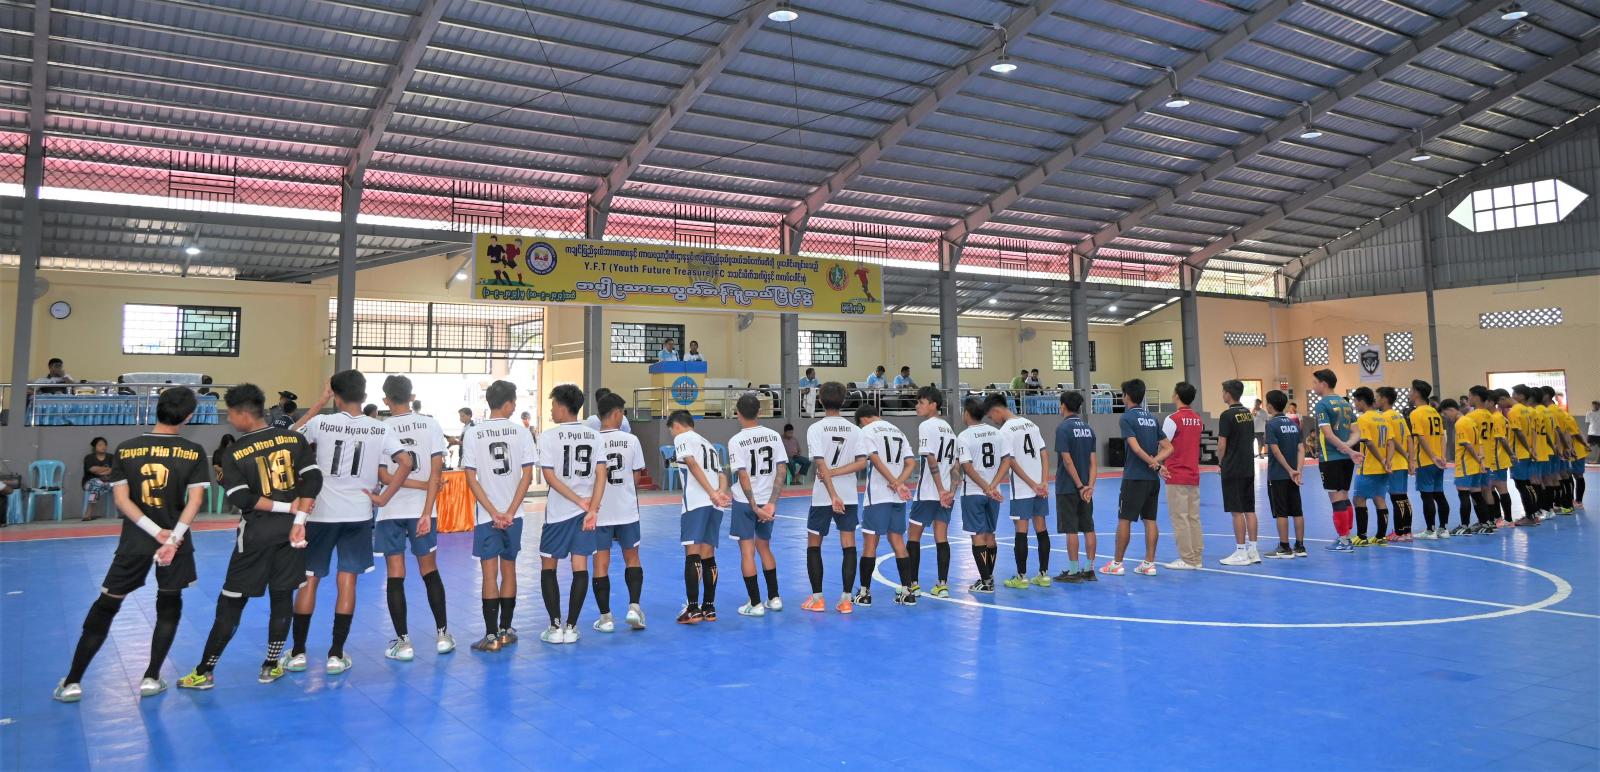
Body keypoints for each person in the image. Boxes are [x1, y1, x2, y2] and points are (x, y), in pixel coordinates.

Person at [54, 387, 209, 703]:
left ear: (156, 409)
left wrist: (155, 532)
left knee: (107, 605)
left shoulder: (125, 449)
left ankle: (72, 682)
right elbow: (195, 502)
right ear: (189, 416)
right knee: (169, 603)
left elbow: (122, 501)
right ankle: (151, 677)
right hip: (176, 541)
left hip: (136, 540)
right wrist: (171, 537)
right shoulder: (193, 451)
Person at [178, 384, 321, 690]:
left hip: (255, 536)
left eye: (230, 414)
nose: (230, 420)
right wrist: (298, 516)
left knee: (231, 602)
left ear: (243, 414)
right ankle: (270, 666)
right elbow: (313, 478)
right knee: (282, 597)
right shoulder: (293, 439)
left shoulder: (235, 452)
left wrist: (286, 508)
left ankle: (205, 671)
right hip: (290, 533)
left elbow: (241, 498)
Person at [287, 371, 414, 675]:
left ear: (336, 395)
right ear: (364, 395)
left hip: (321, 514)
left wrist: (320, 402)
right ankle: (336, 654)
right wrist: (383, 498)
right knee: (347, 581)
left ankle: (298, 653)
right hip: (358, 514)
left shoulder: (321, 423)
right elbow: (406, 461)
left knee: (309, 579)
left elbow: (290, 436)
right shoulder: (379, 428)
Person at [374, 375, 454, 662]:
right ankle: (443, 635)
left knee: (395, 574)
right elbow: (436, 473)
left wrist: (418, 486)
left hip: (391, 511)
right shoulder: (430, 424)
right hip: (423, 510)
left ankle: (403, 643)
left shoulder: (381, 428)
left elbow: (385, 477)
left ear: (385, 400)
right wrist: (425, 508)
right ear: (412, 396)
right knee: (429, 570)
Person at [460, 380, 536, 653]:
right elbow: (527, 476)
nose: (515, 407)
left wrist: (493, 512)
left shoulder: (473, 433)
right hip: (515, 515)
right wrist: (510, 511)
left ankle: (491, 635)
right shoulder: (522, 433)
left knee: (489, 573)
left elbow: (471, 478)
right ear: (507, 403)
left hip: (486, 516)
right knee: (509, 568)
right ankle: (506, 630)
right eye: (513, 402)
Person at [538, 385, 608, 643]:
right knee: (580, 567)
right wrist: (592, 509)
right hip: (585, 514)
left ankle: (555, 626)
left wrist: (578, 501)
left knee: (549, 565)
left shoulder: (548, 437)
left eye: (553, 405)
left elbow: (549, 477)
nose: (551, 410)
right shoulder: (594, 436)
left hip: (558, 514)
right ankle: (571, 627)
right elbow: (601, 474)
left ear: (561, 406)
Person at [802, 382, 868, 613]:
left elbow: (821, 465)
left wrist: (832, 494)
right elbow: (862, 462)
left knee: (814, 544)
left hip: (823, 496)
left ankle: (818, 599)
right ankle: (846, 600)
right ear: (843, 401)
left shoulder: (815, 429)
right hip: (848, 495)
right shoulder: (855, 430)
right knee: (848, 545)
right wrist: (838, 483)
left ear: (820, 400)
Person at [591, 392, 648, 632]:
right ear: (616, 413)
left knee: (600, 562)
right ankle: (634, 607)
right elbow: (637, 476)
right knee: (632, 558)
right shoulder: (631, 440)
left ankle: (605, 618)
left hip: (599, 511)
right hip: (626, 510)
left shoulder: (592, 440)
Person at [985, 393, 1052, 588]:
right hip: (1040, 487)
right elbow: (1044, 454)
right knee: (1041, 528)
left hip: (1023, 489)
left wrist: (1032, 484)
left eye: (991, 416)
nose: (993, 420)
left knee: (1021, 531)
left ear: (996, 410)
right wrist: (1043, 481)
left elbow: (1010, 461)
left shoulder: (1005, 430)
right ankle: (1044, 575)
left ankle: (1021, 577)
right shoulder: (1031, 424)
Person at [668, 411, 728, 623]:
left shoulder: (682, 438)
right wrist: (719, 493)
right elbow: (722, 474)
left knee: (692, 553)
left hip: (696, 502)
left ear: (676, 425)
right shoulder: (708, 444)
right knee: (708, 554)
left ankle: (693, 608)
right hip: (714, 506)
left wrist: (711, 493)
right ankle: (709, 607)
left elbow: (691, 463)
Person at [853, 404, 916, 606]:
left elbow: (875, 460)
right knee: (897, 541)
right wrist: (899, 483)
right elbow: (911, 462)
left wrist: (894, 483)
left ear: (863, 419)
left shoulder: (867, 431)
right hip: (896, 497)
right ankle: (907, 591)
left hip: (878, 495)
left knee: (870, 543)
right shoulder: (898, 431)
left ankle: (864, 593)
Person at [1105, 378, 1166, 576]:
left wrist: (1154, 463)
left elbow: (1136, 448)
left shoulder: (1126, 418)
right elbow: (1169, 447)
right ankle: (1149, 563)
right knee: (1150, 520)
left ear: (1127, 396)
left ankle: (1117, 564)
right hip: (1152, 480)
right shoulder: (1152, 418)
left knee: (1124, 519)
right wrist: (1156, 462)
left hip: (1134, 478)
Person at [906, 387, 957, 597]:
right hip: (945, 496)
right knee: (941, 537)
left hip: (928, 492)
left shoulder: (926, 426)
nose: (917, 406)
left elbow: (930, 458)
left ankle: (913, 584)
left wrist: (940, 489)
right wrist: (950, 491)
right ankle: (942, 585)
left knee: (913, 536)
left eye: (921, 402)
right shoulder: (950, 430)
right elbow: (955, 466)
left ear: (933, 405)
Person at [956, 397, 1009, 592]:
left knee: (977, 535)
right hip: (994, 493)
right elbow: (1006, 461)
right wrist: (993, 486)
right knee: (990, 534)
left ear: (966, 413)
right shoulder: (997, 433)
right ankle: (988, 577)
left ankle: (986, 581)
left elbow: (967, 467)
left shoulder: (964, 436)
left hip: (973, 492)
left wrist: (985, 487)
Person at [1310, 369, 1359, 552]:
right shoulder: (1345, 403)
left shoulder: (1322, 404)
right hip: (1345, 459)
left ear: (1323, 383)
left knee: (1336, 499)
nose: (1313, 386)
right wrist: (1348, 448)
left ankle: (1344, 541)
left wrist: (1346, 449)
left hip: (1330, 458)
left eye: (1315, 382)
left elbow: (1328, 434)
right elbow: (1356, 432)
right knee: (1344, 496)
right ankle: (1347, 536)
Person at [1053, 391, 1098, 581]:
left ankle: (1073, 571)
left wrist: (1079, 486)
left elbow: (1067, 461)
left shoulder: (1063, 429)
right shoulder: (1089, 429)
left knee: (1071, 529)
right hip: (1086, 489)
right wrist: (1089, 487)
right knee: (1088, 527)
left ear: (1063, 405)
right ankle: (1089, 569)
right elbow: (1093, 463)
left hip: (1069, 487)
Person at [1162, 383, 1205, 569]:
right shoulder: (1197, 419)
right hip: (1193, 474)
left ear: (1177, 396)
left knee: (1180, 518)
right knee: (1193, 517)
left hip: (1176, 474)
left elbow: (1164, 445)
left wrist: (1155, 462)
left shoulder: (1172, 419)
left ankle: (1187, 559)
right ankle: (1197, 558)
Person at [1217, 380, 1259, 566]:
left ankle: (1241, 551)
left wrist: (1221, 462)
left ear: (1228, 394)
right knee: (1249, 509)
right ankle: (1253, 550)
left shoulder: (1227, 415)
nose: (1222, 394)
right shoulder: (1248, 414)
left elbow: (1222, 444)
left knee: (1236, 511)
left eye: (1223, 392)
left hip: (1233, 467)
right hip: (1248, 466)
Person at [1261, 390, 1307, 559]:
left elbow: (1275, 451)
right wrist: (1298, 471)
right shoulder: (1294, 424)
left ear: (1269, 406)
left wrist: (1289, 470)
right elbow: (1301, 448)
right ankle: (1300, 547)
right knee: (1297, 511)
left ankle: (1284, 547)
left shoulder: (1271, 424)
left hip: (1278, 475)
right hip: (1293, 476)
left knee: (1281, 512)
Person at [1409, 380, 1453, 538]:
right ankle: (1443, 528)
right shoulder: (1434, 412)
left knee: (1426, 495)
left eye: (1411, 390)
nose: (1409, 393)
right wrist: (1442, 456)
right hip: (1438, 461)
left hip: (1426, 460)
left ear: (1417, 393)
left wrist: (1432, 457)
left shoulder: (1416, 413)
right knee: (1439, 494)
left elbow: (1420, 437)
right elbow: (1442, 436)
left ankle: (1430, 530)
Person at [1349, 387, 1390, 546]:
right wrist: (1387, 461)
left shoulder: (1363, 419)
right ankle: (1381, 537)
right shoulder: (1382, 418)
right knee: (1380, 499)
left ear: (1361, 401)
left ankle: (1362, 536)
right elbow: (1391, 442)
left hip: (1369, 466)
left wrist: (1381, 460)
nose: (1355, 405)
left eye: (1355, 401)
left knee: (1358, 499)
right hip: (1383, 467)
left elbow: (1369, 442)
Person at [1377, 386, 1415, 541]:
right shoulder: (1398, 416)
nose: (1376, 400)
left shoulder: (1384, 417)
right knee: (1403, 497)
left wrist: (1406, 455)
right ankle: (1407, 531)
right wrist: (1410, 459)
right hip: (1402, 463)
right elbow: (1409, 438)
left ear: (1384, 399)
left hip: (1394, 462)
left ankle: (1400, 533)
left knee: (1397, 498)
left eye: (1377, 397)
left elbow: (1392, 440)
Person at [1444, 397, 1485, 536]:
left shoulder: (1460, 423)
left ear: (1451, 409)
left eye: (1446, 414)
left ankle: (1464, 525)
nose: (1447, 417)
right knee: (1477, 495)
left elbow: (1467, 444)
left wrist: (1477, 459)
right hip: (1474, 465)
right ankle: (1485, 523)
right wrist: (1480, 460)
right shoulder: (1470, 421)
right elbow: (1479, 443)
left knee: (1464, 495)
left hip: (1465, 464)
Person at [1484, 388, 1515, 528]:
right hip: (1497, 458)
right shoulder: (1498, 417)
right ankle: (1499, 517)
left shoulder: (1496, 418)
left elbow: (1501, 438)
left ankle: (1505, 519)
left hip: (1496, 458)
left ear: (1491, 402)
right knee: (1493, 488)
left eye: (1485, 401)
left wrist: (1511, 454)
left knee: (1498, 488)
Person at [81, 437, 114, 521]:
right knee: (97, 483)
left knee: (121, 484)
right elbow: (92, 469)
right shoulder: (89, 457)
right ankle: (89, 512)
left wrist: (100, 471)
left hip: (107, 482)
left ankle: (125, 512)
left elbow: (113, 470)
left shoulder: (111, 457)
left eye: (104, 445)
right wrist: (107, 469)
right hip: (89, 482)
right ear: (94, 447)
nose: (103, 447)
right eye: (100, 445)